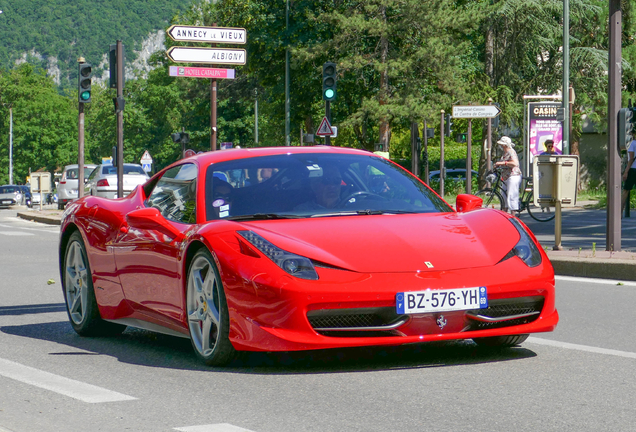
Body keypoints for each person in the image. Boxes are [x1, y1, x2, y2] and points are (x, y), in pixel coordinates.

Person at [494, 136, 522, 215]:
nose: (501, 146)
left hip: (513, 175)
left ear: (504, 145)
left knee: (511, 195)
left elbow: (515, 163)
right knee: (503, 195)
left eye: (502, 144)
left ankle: (513, 215)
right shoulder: (505, 153)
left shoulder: (511, 152)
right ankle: (505, 213)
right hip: (506, 176)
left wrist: (502, 163)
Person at [622, 138, 636, 213]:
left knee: (625, 191)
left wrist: (626, 172)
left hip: (632, 169)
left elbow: (631, 158)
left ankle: (619, 213)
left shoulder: (632, 144)